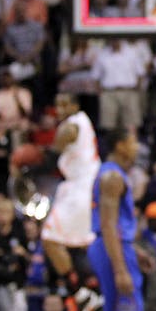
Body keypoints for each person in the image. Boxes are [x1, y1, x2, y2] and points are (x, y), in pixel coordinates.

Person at [48, 128, 156, 311]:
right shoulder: (111, 176)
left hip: (117, 248)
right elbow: (108, 225)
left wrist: (135, 251)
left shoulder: (113, 174)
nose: (137, 147)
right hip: (112, 251)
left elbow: (115, 226)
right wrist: (122, 268)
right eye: (133, 140)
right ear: (121, 145)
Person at [40, 94, 101, 292]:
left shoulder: (71, 125)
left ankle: (74, 285)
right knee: (83, 242)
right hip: (85, 185)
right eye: (57, 104)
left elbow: (51, 156)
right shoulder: (83, 121)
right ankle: (92, 282)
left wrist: (27, 158)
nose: (60, 108)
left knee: (50, 237)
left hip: (80, 188)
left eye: (65, 104)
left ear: (75, 106)